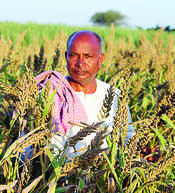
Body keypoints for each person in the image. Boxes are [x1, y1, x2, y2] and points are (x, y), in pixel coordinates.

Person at [34, 30, 135, 160]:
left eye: (88, 56)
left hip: (103, 176)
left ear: (100, 59)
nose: (80, 63)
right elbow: (28, 145)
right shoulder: (50, 94)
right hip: (58, 176)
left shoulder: (114, 95)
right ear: (66, 57)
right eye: (74, 55)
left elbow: (127, 137)